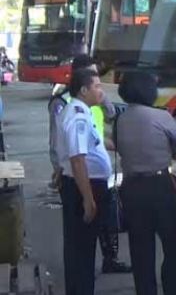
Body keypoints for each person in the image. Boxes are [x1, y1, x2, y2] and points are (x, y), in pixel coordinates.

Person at [48, 54, 130, 274]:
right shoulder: (65, 105)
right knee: (80, 245)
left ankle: (108, 259)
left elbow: (107, 121)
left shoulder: (90, 103)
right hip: (80, 181)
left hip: (91, 173)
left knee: (99, 230)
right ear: (81, 82)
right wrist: (59, 170)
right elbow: (67, 150)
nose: (100, 87)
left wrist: (102, 98)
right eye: (95, 82)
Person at [115, 71, 176, 295]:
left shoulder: (121, 119)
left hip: (131, 188)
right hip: (159, 185)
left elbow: (119, 146)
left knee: (141, 249)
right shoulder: (161, 117)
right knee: (172, 246)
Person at [55, 68, 113, 295]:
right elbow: (78, 160)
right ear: (83, 90)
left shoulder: (82, 111)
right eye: (97, 87)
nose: (101, 91)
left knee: (81, 248)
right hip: (84, 187)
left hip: (82, 184)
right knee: (82, 249)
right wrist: (88, 199)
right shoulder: (78, 115)